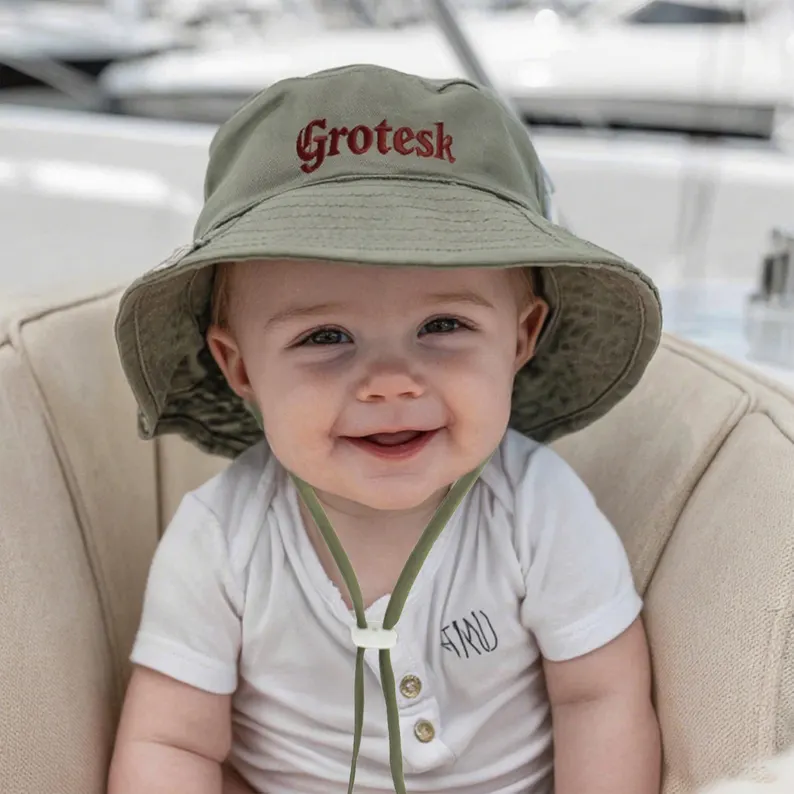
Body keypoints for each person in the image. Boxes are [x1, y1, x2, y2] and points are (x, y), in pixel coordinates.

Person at [107, 63, 663, 794]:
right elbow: (172, 742)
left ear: (521, 339)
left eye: (443, 325)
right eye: (325, 337)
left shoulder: (537, 509)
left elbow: (600, 697)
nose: (391, 381)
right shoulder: (221, 539)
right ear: (239, 367)